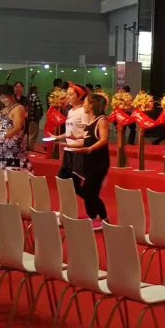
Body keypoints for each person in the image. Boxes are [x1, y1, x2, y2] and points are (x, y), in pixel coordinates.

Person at [63, 93, 111, 229]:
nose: (83, 104)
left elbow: (104, 139)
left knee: (90, 192)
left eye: (85, 102)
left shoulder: (101, 120)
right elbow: (85, 141)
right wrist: (70, 145)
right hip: (89, 162)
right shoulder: (90, 122)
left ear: (91, 105)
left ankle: (102, 218)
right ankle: (95, 216)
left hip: (99, 163)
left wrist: (90, 149)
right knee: (87, 191)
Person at [55, 83, 90, 178]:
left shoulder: (83, 111)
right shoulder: (70, 111)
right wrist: (57, 137)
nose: (68, 97)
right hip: (68, 150)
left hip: (78, 152)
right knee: (62, 180)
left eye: (71, 94)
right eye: (67, 94)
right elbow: (69, 132)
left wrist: (75, 144)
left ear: (80, 96)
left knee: (74, 181)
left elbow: (87, 134)